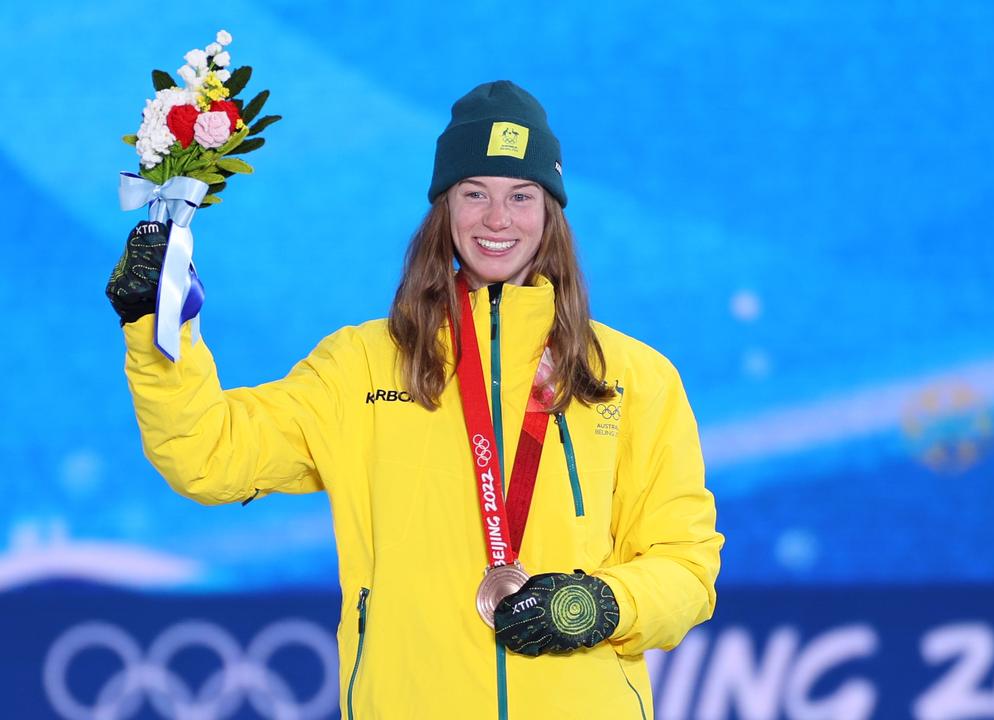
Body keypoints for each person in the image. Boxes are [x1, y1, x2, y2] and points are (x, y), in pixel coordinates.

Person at [106, 80, 723, 719]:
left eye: (522, 195)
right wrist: (158, 335)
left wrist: (603, 604)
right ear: (444, 208)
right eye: (473, 193)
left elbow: (686, 566)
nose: (497, 218)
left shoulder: (633, 377)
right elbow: (209, 455)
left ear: (551, 212)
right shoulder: (363, 364)